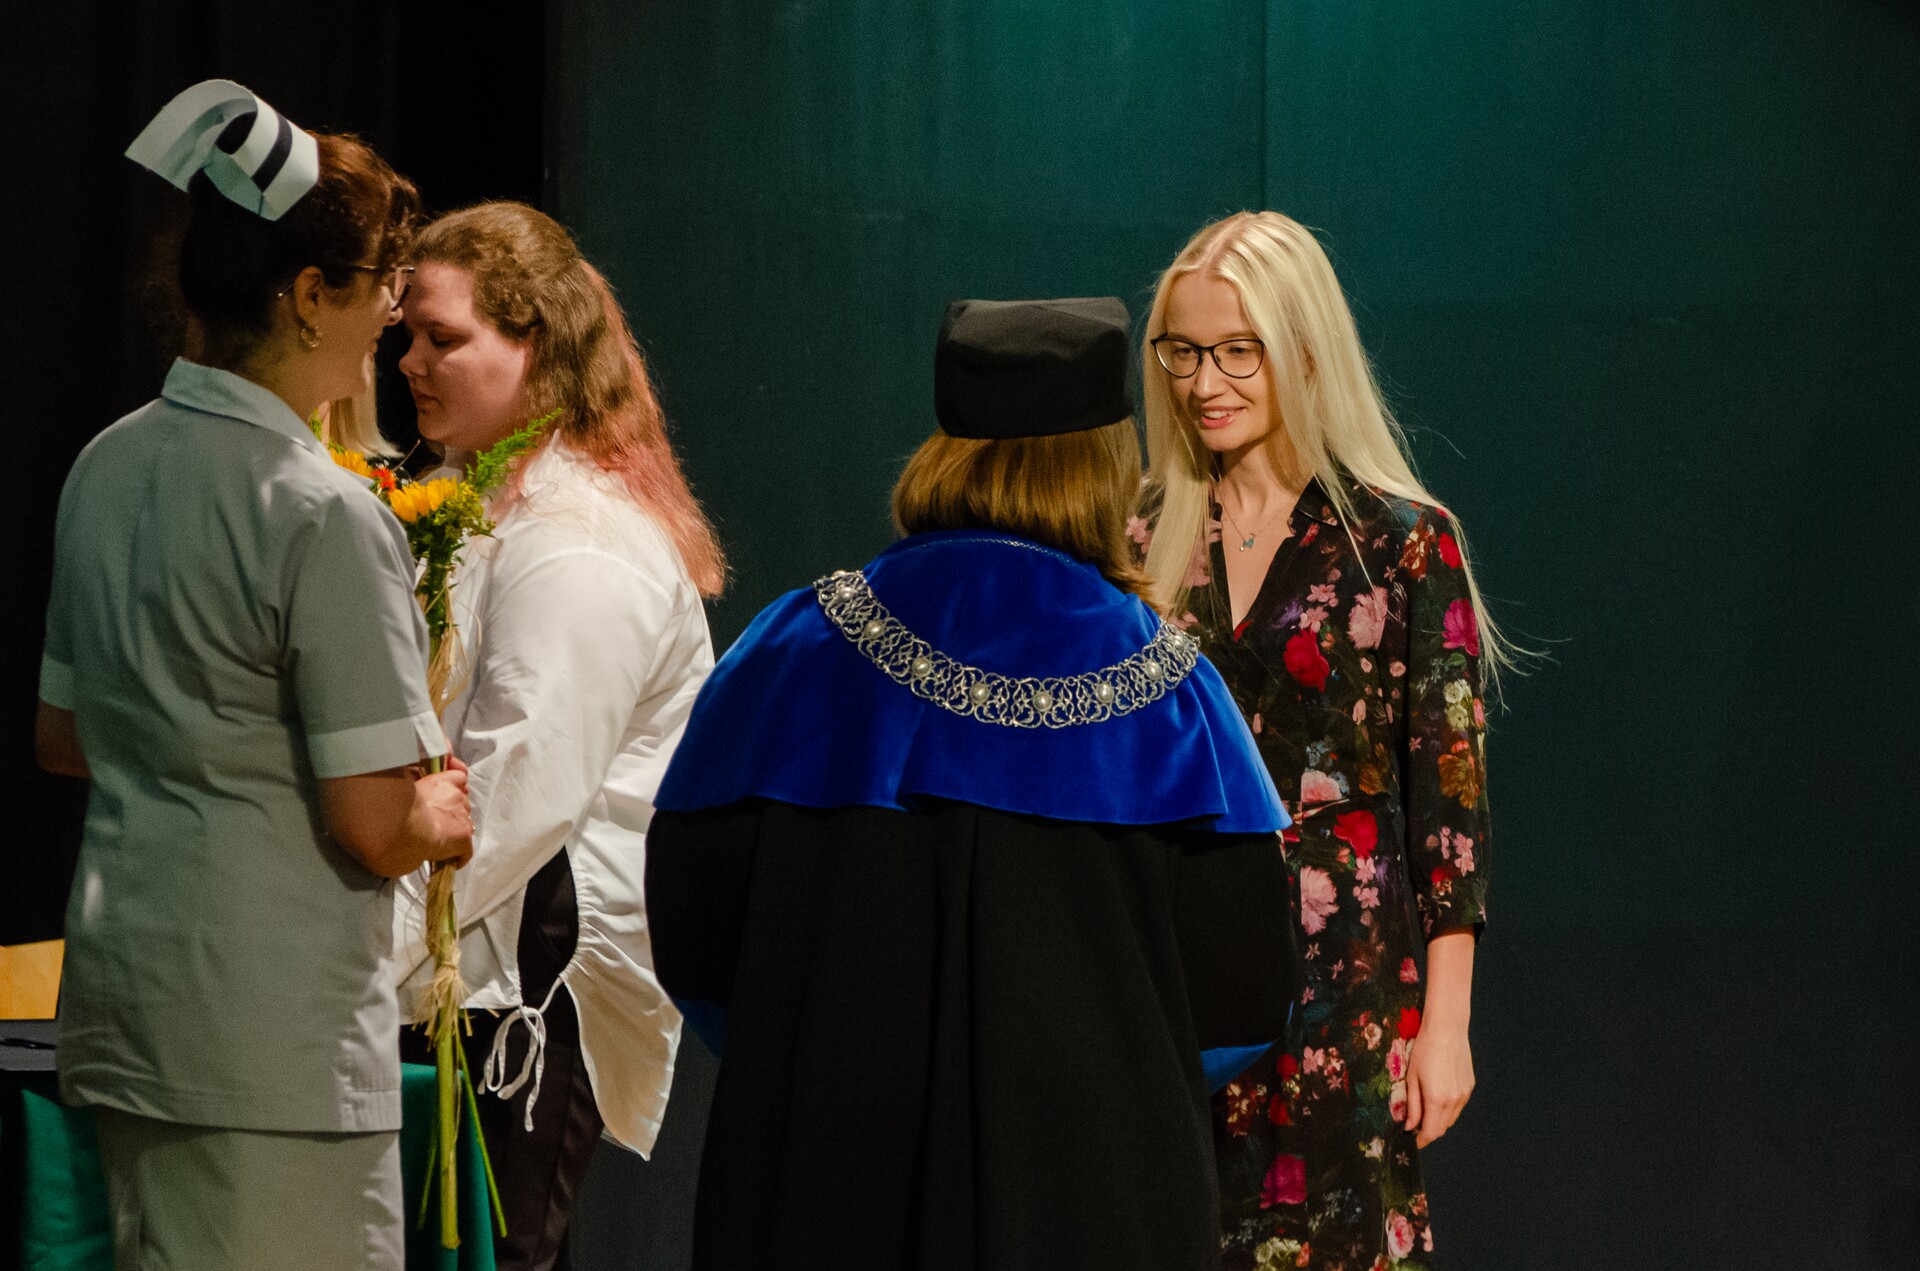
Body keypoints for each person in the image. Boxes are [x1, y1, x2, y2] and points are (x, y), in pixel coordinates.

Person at [645, 297, 1300, 1270]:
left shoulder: (790, 649)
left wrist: (808, 1043)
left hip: (823, 1167)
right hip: (1095, 1188)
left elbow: (694, 933)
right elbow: (1241, 993)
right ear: (1107, 464)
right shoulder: (1172, 691)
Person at [36, 81, 472, 1271]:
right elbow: (373, 819)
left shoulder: (105, 464)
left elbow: (64, 735)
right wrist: (439, 810)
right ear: (309, 293)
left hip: (128, 1008)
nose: (392, 310)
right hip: (270, 1044)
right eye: (382, 281)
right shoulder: (320, 511)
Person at [1135, 211, 1507, 1270]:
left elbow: (1450, 802)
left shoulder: (1401, 543)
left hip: (1345, 986)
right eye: (1182, 352)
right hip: (1176, 979)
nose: (1203, 382)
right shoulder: (1138, 538)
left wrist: (1447, 1022)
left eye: (1235, 351)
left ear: (1303, 350)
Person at [390, 200, 727, 1271]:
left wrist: (358, 961)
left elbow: (515, 798)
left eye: (443, 338)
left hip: (516, 984)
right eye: (408, 334)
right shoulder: (482, 498)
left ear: (531, 343)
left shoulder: (582, 541)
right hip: (461, 962)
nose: (409, 362)